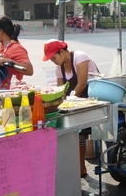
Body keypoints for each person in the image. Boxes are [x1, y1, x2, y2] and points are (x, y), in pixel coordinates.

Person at [42, 39, 99, 177]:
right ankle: (77, 169)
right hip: (74, 103)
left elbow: (82, 84)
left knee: (82, 135)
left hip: (92, 99)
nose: (53, 61)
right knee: (74, 135)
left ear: (62, 51)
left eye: (54, 58)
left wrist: (68, 102)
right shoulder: (58, 68)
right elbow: (61, 91)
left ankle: (81, 169)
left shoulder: (79, 57)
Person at [0, 15, 33, 90]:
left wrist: (7, 61)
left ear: (1, 31)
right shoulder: (0, 48)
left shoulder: (16, 48)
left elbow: (29, 70)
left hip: (12, 94)